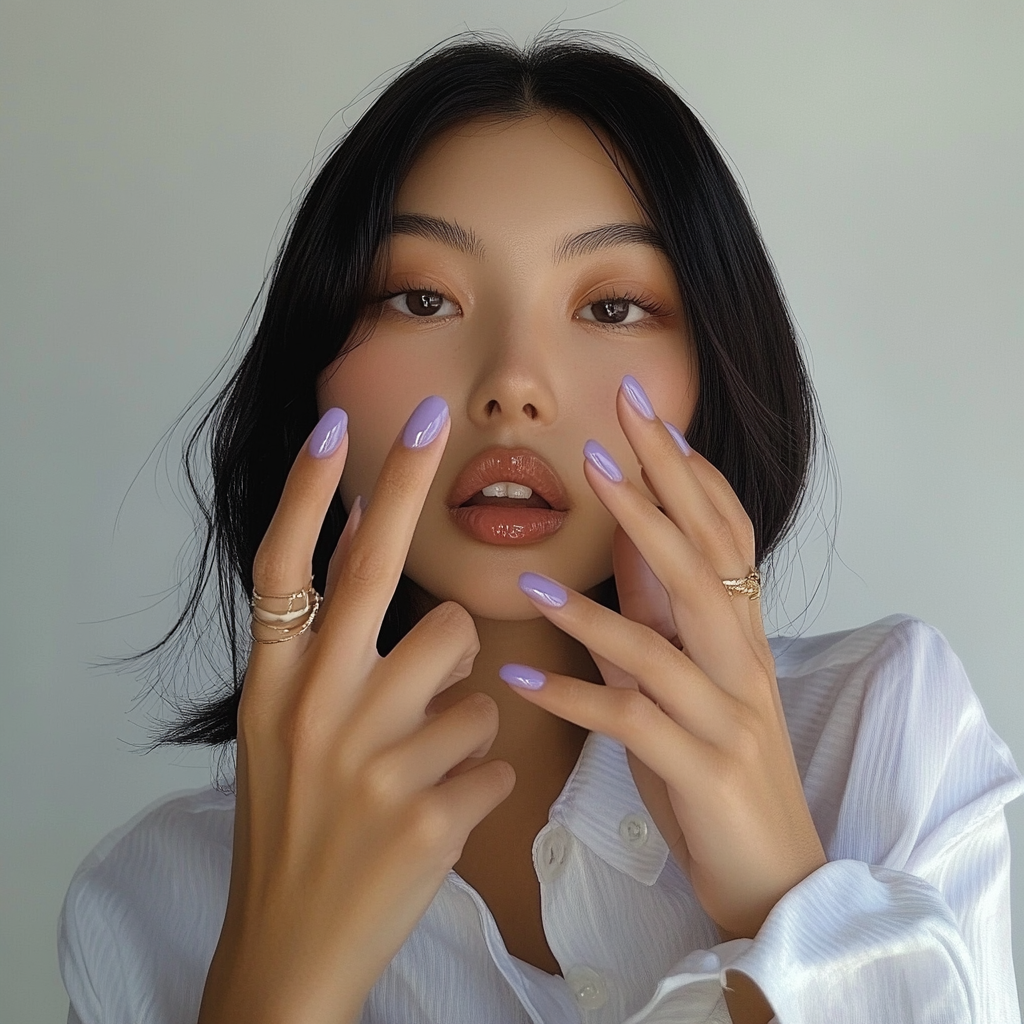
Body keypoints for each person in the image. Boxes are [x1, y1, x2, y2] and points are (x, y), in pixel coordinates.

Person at [57, 36, 1023, 1024]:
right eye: (421, 298)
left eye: (611, 305)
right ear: (314, 371)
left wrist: (782, 890)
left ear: (714, 371)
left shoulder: (888, 734)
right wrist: (274, 985)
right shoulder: (146, 900)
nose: (514, 383)